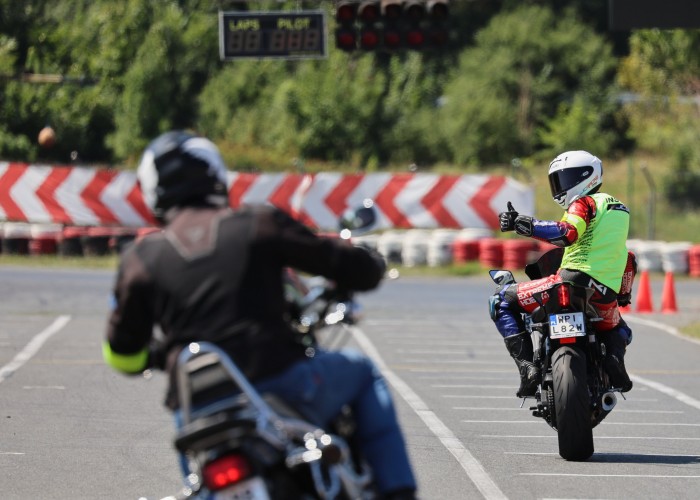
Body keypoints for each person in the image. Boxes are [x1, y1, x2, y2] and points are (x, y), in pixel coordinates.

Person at [102, 130, 417, 499]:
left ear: (154, 191)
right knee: (364, 375)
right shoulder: (258, 224)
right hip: (281, 380)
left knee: (198, 478)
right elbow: (338, 262)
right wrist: (369, 264)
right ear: (214, 176)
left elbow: (123, 355)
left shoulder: (140, 260)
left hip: (200, 411)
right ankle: (399, 493)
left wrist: (162, 355)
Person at [490, 150, 635, 397]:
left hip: (570, 281)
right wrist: (622, 296)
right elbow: (627, 259)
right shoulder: (619, 209)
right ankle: (614, 359)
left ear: (588, 177)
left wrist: (523, 224)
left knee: (500, 300)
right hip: (603, 293)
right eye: (558, 180)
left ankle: (527, 367)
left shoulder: (584, 203)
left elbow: (568, 233)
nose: (562, 186)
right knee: (621, 328)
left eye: (568, 179)